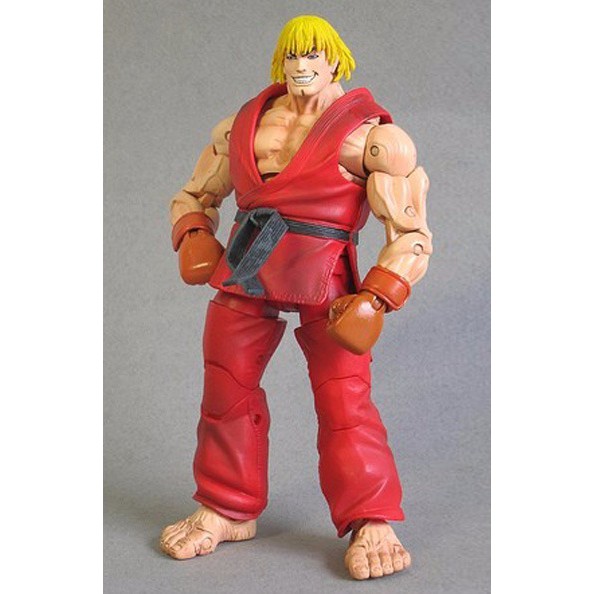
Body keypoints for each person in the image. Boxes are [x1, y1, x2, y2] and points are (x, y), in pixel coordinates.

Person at [160, 15, 432, 580]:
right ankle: (226, 506)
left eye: (313, 55)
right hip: (247, 263)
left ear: (336, 62)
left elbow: (411, 233)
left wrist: (378, 295)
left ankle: (371, 517)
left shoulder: (374, 139)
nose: (301, 66)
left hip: (325, 272)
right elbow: (193, 194)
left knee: (345, 397)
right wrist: (194, 232)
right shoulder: (242, 126)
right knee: (225, 385)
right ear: (280, 61)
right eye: (292, 55)